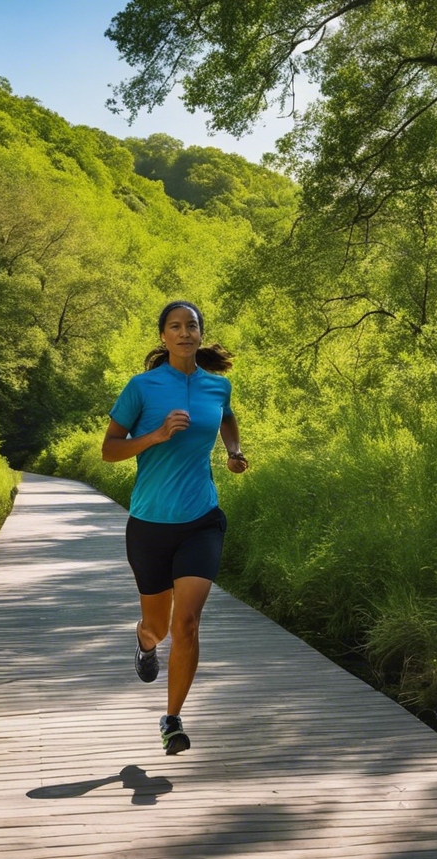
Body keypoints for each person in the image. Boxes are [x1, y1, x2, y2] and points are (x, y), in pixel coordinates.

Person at [102, 301, 248, 754]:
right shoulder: (142, 388)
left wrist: (234, 450)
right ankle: (145, 644)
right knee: (159, 627)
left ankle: (171, 719)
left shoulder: (216, 386)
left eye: (192, 326)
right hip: (149, 525)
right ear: (163, 336)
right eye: (175, 327)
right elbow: (109, 450)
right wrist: (157, 435)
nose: (185, 333)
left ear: (201, 334)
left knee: (186, 623)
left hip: (201, 520)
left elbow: (225, 416)